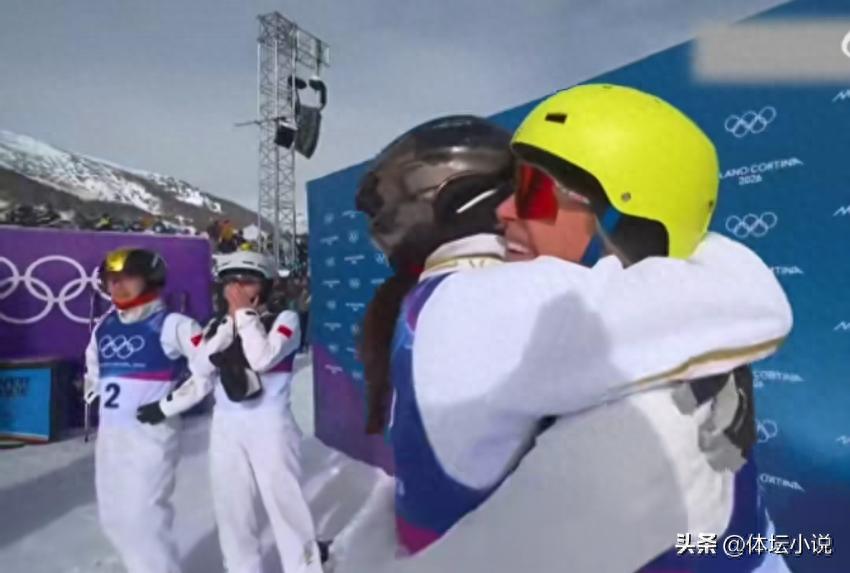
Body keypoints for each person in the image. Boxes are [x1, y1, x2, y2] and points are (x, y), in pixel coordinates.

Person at [336, 86, 792, 572]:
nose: (505, 211)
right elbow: (752, 302)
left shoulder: (463, 306)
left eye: (531, 190)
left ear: (622, 218)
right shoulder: (497, 310)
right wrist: (677, 231)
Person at [136, 250, 325, 573]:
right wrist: (164, 407)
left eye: (247, 281)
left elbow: (262, 358)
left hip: (271, 426)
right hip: (227, 426)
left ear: (263, 287)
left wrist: (244, 316)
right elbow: (200, 371)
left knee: (284, 506)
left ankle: (305, 567)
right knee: (232, 510)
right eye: (230, 282)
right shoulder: (217, 325)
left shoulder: (284, 320)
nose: (236, 289)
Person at [83, 247, 204, 573]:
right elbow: (93, 369)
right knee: (114, 517)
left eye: (128, 278)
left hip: (150, 438)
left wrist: (168, 406)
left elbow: (208, 371)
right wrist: (93, 393)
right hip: (111, 438)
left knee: (143, 519)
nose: (118, 287)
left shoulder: (173, 324)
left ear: (149, 279)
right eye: (112, 280)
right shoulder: (105, 327)